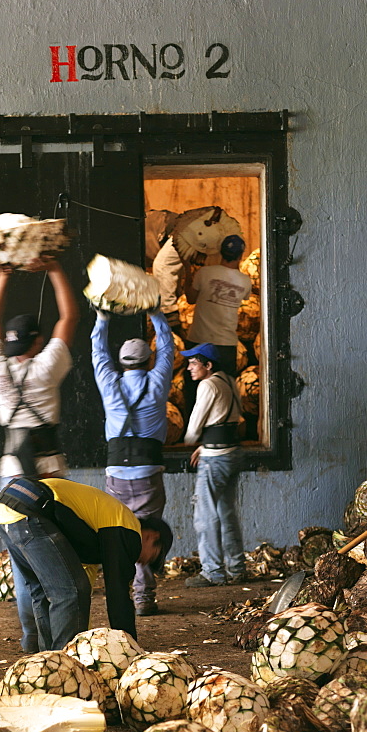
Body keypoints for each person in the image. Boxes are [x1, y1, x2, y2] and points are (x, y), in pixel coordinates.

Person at [0, 258, 79, 652]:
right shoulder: (46, 368)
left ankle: (30, 638)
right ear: (36, 342)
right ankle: (59, 640)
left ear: (8, 343)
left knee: (23, 564)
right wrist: (55, 268)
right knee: (58, 559)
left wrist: (2, 276)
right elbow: (70, 315)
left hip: (12, 477)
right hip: (51, 473)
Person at [0, 476, 173, 649]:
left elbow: (84, 586)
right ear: (152, 536)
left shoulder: (97, 532)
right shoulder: (128, 528)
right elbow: (116, 592)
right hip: (33, 506)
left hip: (8, 507)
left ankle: (46, 656)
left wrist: (84, 634)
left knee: (44, 589)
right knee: (69, 591)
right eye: (153, 556)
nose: (143, 562)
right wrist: (129, 645)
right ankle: (65, 662)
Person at [91, 307, 174, 616]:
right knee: (147, 535)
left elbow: (98, 353)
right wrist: (156, 314)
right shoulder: (156, 385)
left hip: (116, 474)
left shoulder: (109, 385)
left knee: (119, 533)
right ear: (148, 361)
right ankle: (143, 597)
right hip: (148, 474)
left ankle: (119, 591)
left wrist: (103, 317)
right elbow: (168, 349)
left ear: (121, 363)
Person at [181, 342, 246, 587]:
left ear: (208, 365)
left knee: (205, 514)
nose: (188, 368)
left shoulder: (207, 384)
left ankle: (213, 572)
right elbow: (229, 420)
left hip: (215, 459)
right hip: (232, 453)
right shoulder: (230, 381)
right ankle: (237, 568)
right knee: (226, 511)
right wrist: (205, 444)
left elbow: (195, 425)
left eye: (193, 363)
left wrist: (189, 441)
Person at [182, 234, 251, 379]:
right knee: (223, 391)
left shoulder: (205, 273)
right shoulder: (245, 281)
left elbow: (190, 299)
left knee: (195, 393)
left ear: (220, 252)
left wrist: (187, 270)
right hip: (226, 345)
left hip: (199, 341)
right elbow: (245, 297)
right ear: (241, 255)